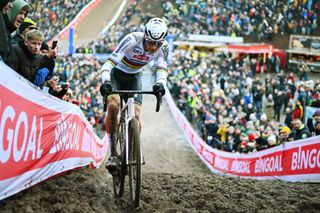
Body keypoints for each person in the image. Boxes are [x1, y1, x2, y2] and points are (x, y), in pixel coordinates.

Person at [99, 17, 168, 170]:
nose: (154, 47)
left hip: (135, 77)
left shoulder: (164, 47)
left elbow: (161, 68)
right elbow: (109, 63)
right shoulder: (132, 40)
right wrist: (105, 81)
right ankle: (113, 153)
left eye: (158, 43)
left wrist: (160, 84)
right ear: (144, 36)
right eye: (150, 42)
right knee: (113, 105)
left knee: (136, 115)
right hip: (116, 75)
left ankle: (130, 151)